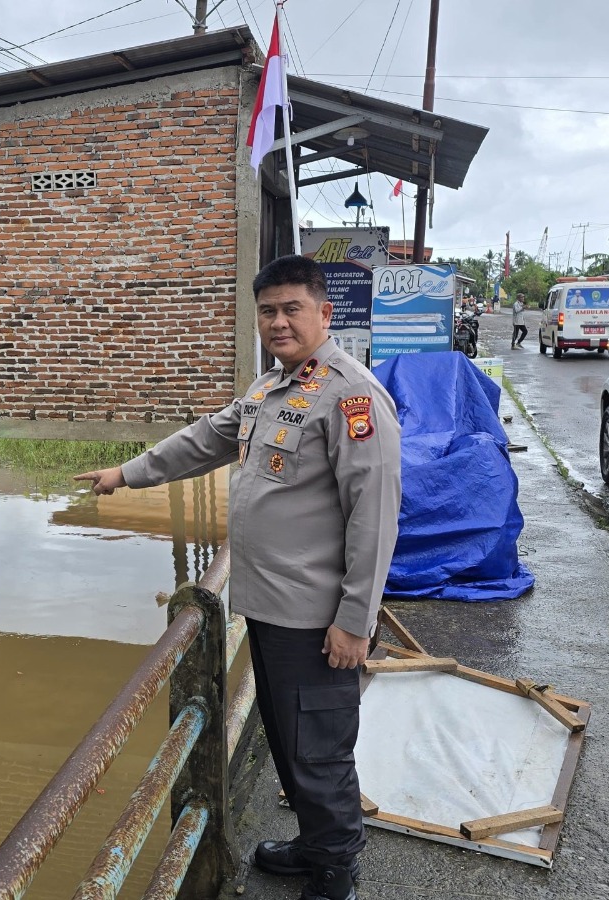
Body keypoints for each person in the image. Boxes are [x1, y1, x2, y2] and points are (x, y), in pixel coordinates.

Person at [75, 255, 401, 900]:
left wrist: (354, 622)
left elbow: (376, 516)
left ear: (324, 314)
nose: (279, 322)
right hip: (272, 606)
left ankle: (335, 870)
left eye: (292, 309)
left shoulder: (352, 396)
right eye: (269, 311)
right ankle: (314, 844)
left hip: (317, 615)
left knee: (320, 749)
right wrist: (125, 474)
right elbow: (203, 440)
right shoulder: (271, 388)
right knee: (287, 738)